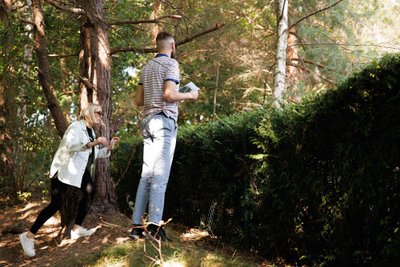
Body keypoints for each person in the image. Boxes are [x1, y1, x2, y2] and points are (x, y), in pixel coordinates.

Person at [19, 103, 120, 257]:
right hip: (63, 170)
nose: (101, 114)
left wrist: (109, 147)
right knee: (55, 204)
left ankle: (76, 229)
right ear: (89, 113)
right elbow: (72, 147)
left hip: (78, 172)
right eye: (98, 112)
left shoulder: (91, 131)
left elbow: (93, 153)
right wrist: (94, 142)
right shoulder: (75, 127)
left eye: (101, 112)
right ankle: (28, 236)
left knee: (90, 191)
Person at [129, 31, 198, 241]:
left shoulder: (146, 67)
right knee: (160, 176)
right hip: (163, 121)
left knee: (146, 175)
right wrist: (189, 95)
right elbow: (169, 94)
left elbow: (138, 101)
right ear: (172, 45)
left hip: (148, 122)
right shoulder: (171, 65)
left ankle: (136, 228)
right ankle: (154, 228)